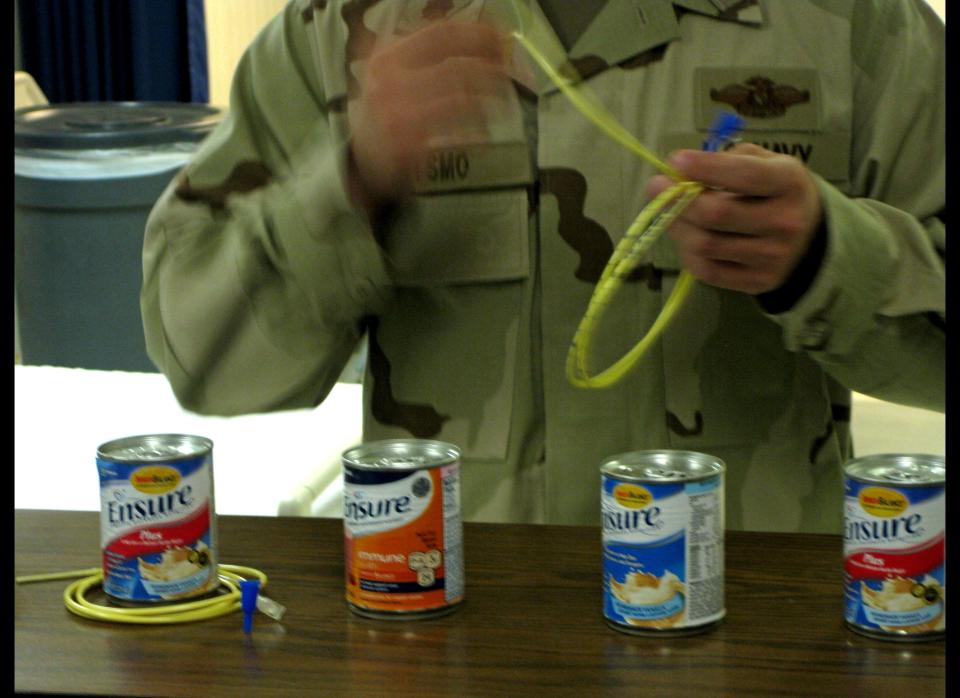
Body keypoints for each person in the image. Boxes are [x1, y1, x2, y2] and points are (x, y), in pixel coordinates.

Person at [141, 0, 944, 533]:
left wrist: (831, 259)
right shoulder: (342, 28)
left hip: (749, 634)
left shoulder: (852, 23)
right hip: (442, 627)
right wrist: (345, 186)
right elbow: (203, 364)